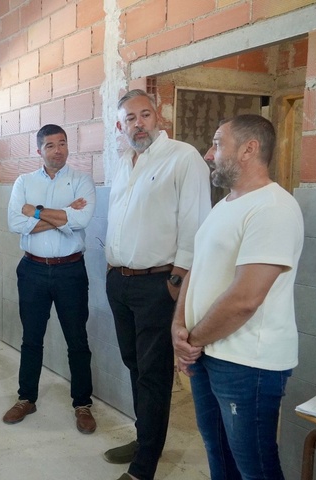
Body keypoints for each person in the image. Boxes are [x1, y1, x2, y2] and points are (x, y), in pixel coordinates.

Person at [173, 114, 303, 479]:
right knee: (219, 454)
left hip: (248, 364)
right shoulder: (225, 206)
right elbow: (197, 271)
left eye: (217, 143)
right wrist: (178, 327)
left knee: (254, 467)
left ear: (249, 149)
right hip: (208, 354)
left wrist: (192, 341)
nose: (208, 154)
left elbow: (246, 298)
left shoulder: (273, 209)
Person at [104, 90, 211, 480]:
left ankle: (144, 466)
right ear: (122, 125)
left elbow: (196, 224)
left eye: (144, 115)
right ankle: (145, 437)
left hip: (157, 285)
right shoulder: (123, 162)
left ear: (159, 116)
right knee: (134, 365)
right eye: (130, 118)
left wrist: (176, 282)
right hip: (119, 281)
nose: (138, 123)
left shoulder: (183, 158)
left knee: (153, 373)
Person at [4, 124, 97, 434]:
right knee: (31, 338)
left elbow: (81, 219)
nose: (59, 150)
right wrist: (62, 215)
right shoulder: (24, 181)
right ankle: (26, 398)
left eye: (63, 143)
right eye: (51, 146)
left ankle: (82, 404)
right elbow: (16, 222)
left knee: (77, 340)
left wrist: (37, 211)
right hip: (32, 269)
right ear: (39, 150)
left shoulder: (81, 180)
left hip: (71, 270)